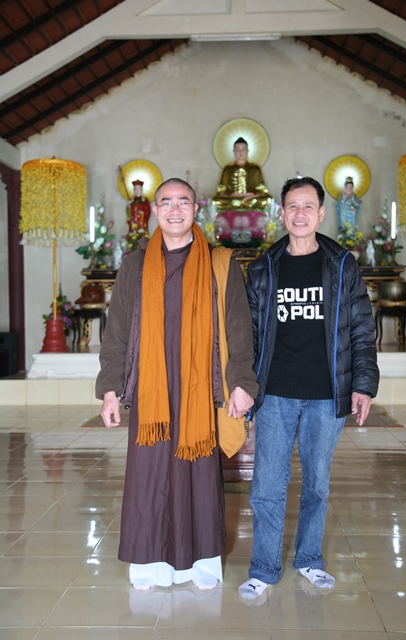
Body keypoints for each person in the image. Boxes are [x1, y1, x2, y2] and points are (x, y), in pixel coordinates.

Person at [96, 178, 258, 591]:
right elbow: (116, 333)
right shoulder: (134, 265)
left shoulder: (220, 263)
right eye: (166, 202)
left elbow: (240, 329)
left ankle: (201, 563)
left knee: (198, 475)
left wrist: (242, 383)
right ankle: (148, 564)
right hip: (151, 389)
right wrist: (111, 389)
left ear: (195, 209)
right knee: (148, 475)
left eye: (182, 201)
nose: (174, 209)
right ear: (154, 210)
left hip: (199, 387)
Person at [238, 176, 379, 599]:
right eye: (292, 206)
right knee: (267, 484)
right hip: (276, 391)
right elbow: (248, 335)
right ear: (281, 213)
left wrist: (363, 385)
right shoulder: (263, 268)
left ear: (320, 213)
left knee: (317, 482)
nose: (299, 214)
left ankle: (310, 559)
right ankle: (263, 567)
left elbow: (361, 328)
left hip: (326, 391)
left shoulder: (342, 265)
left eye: (307, 206)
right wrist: (244, 386)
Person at [213, 137, 272, 212]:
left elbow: (262, 189)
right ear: (234, 151)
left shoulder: (255, 168)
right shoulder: (228, 169)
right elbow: (221, 189)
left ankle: (240, 203)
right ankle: (243, 203)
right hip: (232, 198)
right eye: (238, 149)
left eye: (243, 149)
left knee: (267, 200)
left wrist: (249, 196)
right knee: (216, 200)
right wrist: (235, 195)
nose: (240, 152)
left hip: (250, 198)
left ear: (247, 151)